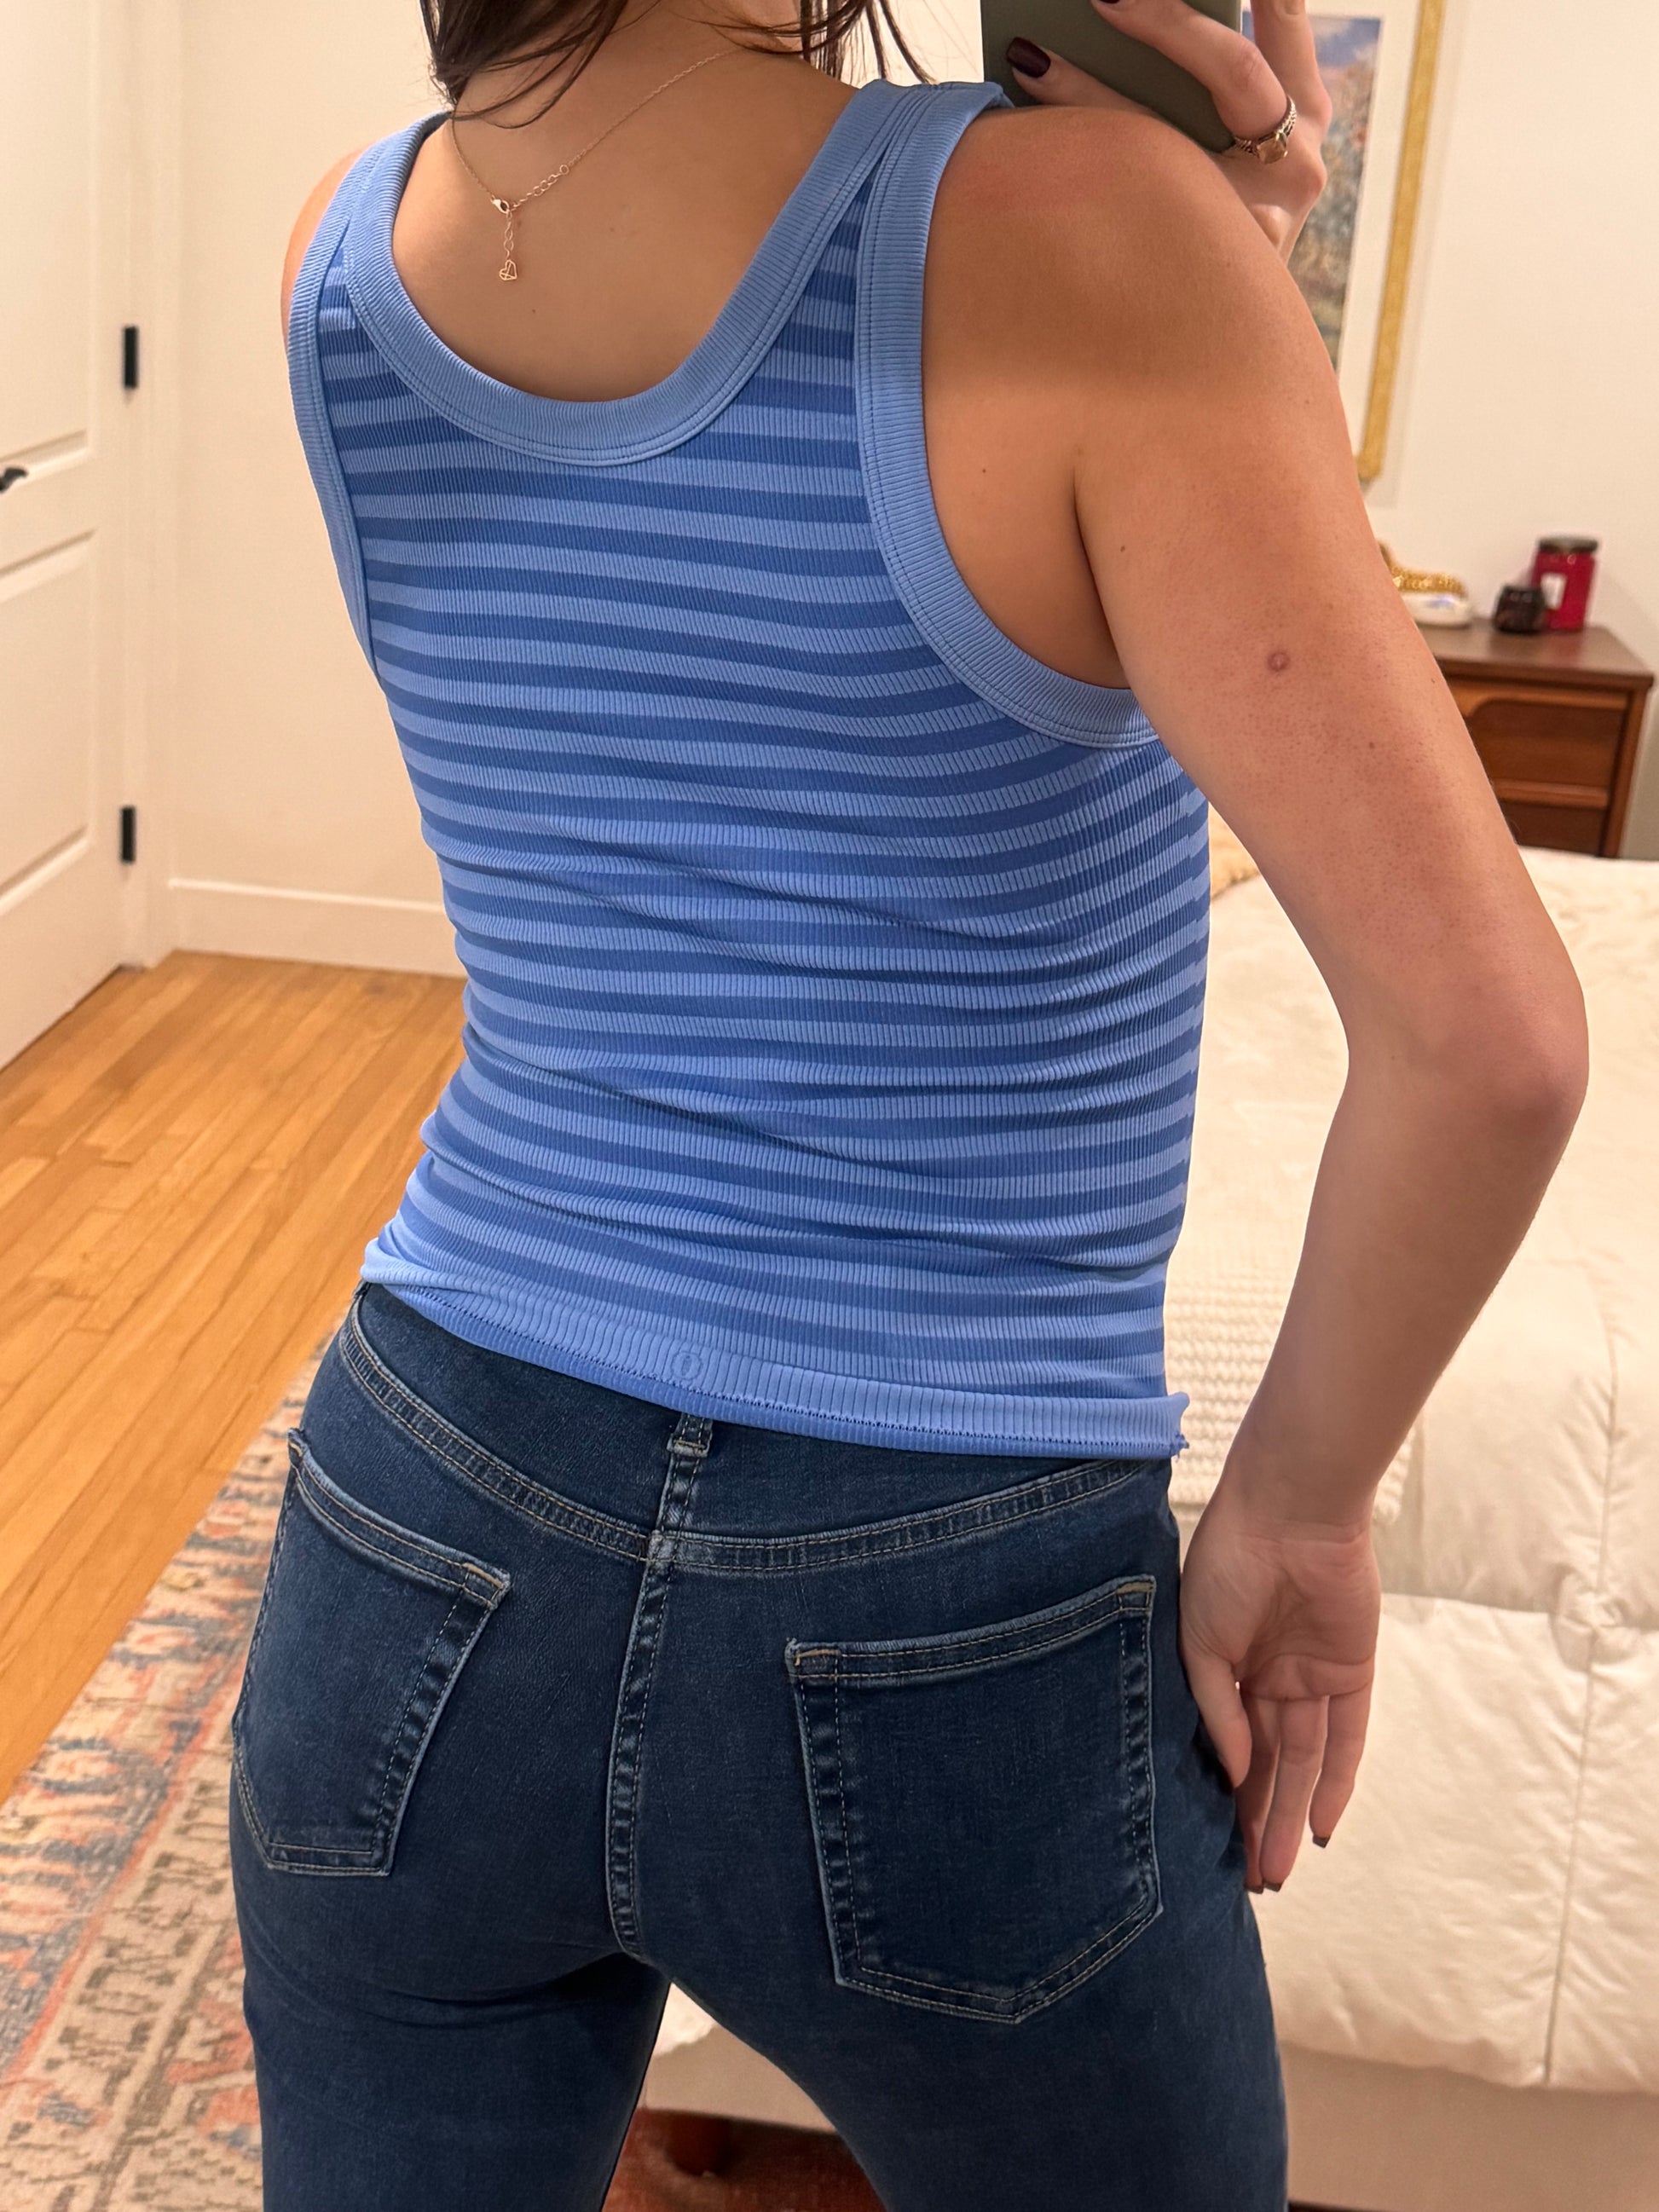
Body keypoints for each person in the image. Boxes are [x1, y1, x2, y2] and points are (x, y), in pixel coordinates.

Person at [231, 2, 1588, 2205]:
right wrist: (1301, 1510)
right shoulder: (1089, 233)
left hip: (421, 1506)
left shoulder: (338, 253)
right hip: (945, 1582)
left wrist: (1206, 250)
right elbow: (1488, 1042)